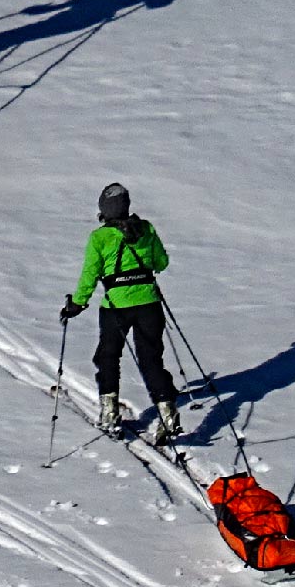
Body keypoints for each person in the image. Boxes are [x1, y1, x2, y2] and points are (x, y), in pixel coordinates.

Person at [60, 183, 181, 445]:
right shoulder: (146, 228)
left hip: (115, 306)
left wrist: (76, 304)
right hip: (149, 304)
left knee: (108, 357)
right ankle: (167, 413)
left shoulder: (99, 237)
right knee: (151, 359)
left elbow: (90, 274)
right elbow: (161, 262)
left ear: (104, 209)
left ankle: (110, 414)